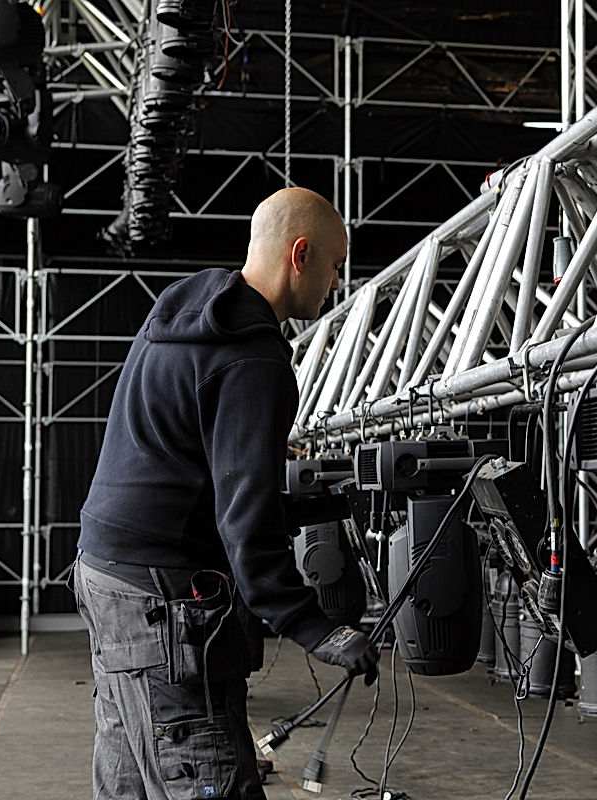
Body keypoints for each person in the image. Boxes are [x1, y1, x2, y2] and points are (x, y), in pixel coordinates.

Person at [73, 187, 379, 800]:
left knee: (132, 774)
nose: (337, 281)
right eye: (335, 263)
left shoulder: (187, 313)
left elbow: (201, 479)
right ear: (300, 254)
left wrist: (315, 503)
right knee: (207, 772)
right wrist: (315, 627)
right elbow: (245, 520)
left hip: (107, 575)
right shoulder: (253, 357)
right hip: (164, 600)